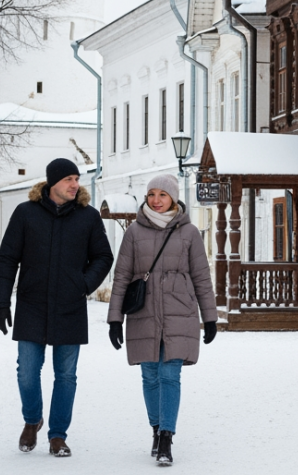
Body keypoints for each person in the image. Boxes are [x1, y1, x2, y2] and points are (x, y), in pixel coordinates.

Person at [0, 158, 113, 458]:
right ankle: (32, 420)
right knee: (27, 373)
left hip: (70, 307)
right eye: (69, 179)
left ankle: (58, 435)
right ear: (53, 183)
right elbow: (8, 258)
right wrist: (1, 302)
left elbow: (103, 257)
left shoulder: (88, 217)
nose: (75, 184)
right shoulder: (25, 214)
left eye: (77, 178)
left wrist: (83, 284)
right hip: (32, 304)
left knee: (66, 375)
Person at [108, 174, 217, 466]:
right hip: (143, 312)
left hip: (179, 311)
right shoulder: (133, 232)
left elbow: (202, 277)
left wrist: (210, 317)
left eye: (162, 195)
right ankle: (156, 429)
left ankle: (167, 436)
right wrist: (114, 318)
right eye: (151, 194)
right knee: (149, 375)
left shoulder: (189, 232)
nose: (156, 200)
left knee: (170, 374)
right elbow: (122, 277)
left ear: (174, 198)